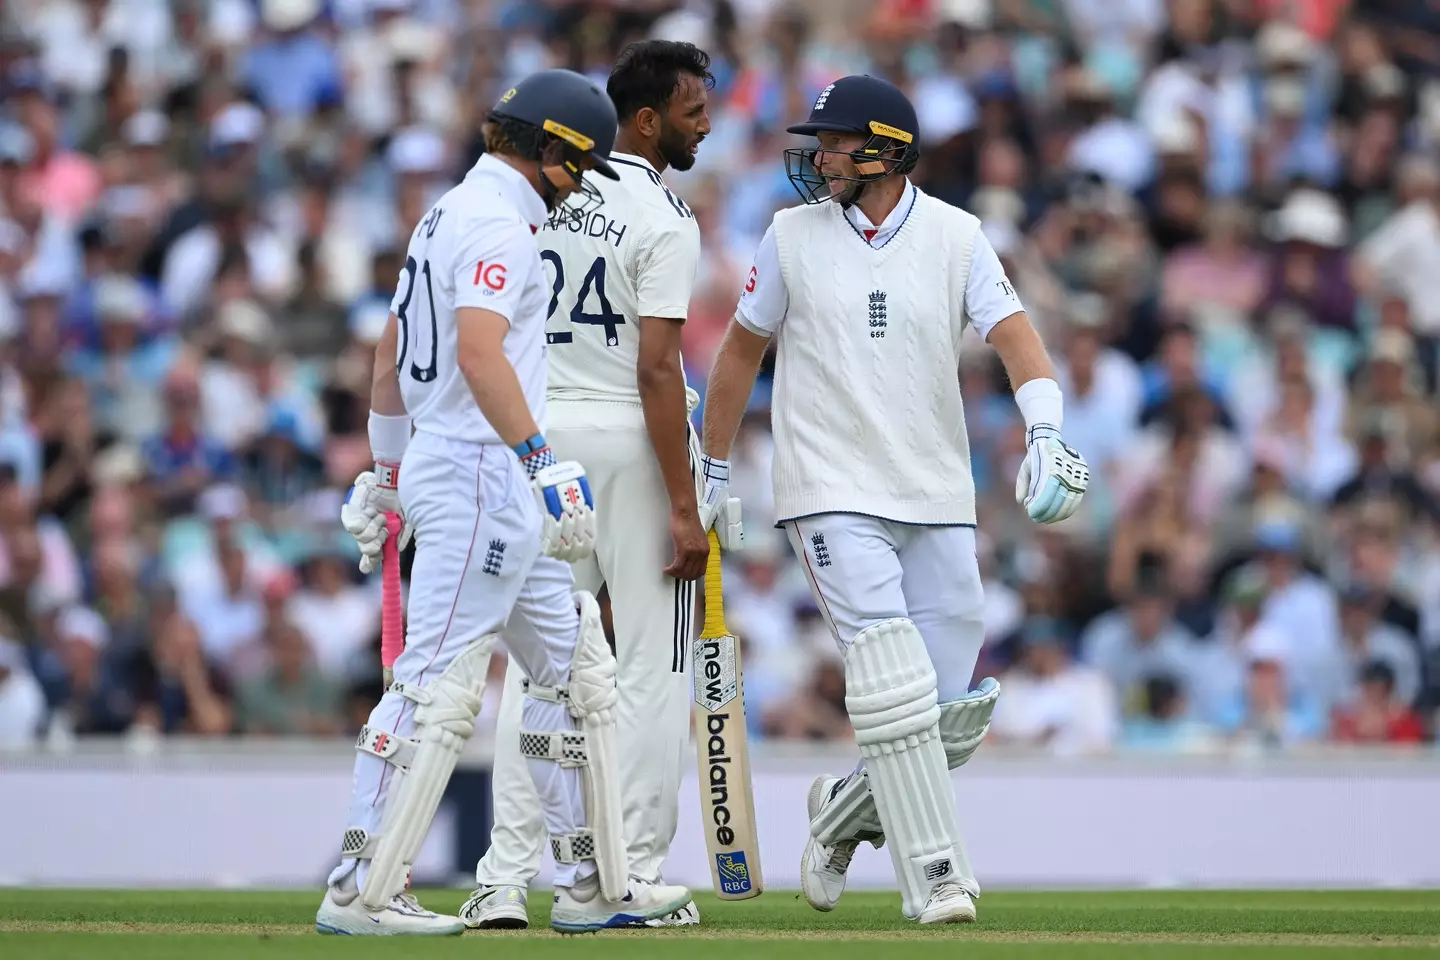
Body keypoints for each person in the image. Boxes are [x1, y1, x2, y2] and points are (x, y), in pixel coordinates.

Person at [699, 75, 1090, 925]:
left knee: (945, 708)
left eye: (837, 142)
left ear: (885, 150)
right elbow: (738, 354)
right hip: (830, 487)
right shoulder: (788, 234)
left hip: (937, 490)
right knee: (894, 685)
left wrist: (1047, 432)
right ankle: (938, 878)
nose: (821, 156)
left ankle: (842, 814)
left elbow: (1015, 336)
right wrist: (713, 467)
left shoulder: (956, 235)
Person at [323, 69, 691, 935]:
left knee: (576, 676)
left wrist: (386, 472)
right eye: (581, 165)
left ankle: (586, 881)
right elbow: (482, 354)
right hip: (484, 474)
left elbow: (390, 353)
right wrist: (536, 457)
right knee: (429, 688)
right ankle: (359, 886)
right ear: (552, 149)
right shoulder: (498, 223)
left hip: (473, 474)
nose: (580, 186)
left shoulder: (447, 212)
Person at [463, 41, 722, 931]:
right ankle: (624, 877)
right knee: (651, 665)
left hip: (539, 440)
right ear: (645, 119)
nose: (707, 125)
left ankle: (503, 877)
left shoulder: (540, 187)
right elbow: (658, 371)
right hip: (627, 441)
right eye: (693, 112)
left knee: (538, 668)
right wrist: (685, 505)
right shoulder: (666, 216)